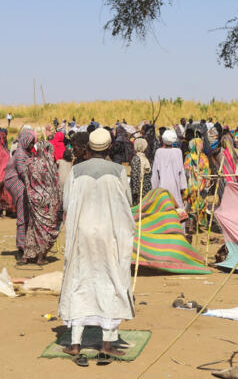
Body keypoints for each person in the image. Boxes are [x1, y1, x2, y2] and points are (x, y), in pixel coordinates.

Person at [60, 128, 135, 363]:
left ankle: (74, 344)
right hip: (109, 235)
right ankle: (107, 344)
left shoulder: (76, 171)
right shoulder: (118, 171)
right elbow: (128, 201)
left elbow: (66, 205)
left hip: (82, 235)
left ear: (89, 148)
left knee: (79, 281)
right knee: (111, 280)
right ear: (109, 148)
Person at [22, 141, 61, 265]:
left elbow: (26, 181)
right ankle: (40, 257)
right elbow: (55, 184)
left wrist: (31, 195)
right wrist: (58, 200)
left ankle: (27, 256)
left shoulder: (29, 162)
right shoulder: (49, 164)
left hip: (33, 199)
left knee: (33, 227)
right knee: (46, 228)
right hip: (47, 201)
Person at [4, 129, 36, 260]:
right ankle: (22, 247)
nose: (32, 145)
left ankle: (25, 245)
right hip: (18, 185)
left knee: (26, 214)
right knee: (23, 215)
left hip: (20, 184)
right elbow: (23, 173)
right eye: (31, 142)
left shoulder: (24, 153)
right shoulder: (21, 154)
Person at [151, 129, 188, 208]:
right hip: (175, 186)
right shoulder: (178, 152)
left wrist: (155, 189)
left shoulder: (159, 152)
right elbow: (181, 171)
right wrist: (183, 188)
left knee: (164, 208)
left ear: (163, 140)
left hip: (162, 186)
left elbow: (155, 174)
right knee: (176, 208)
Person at [183, 138, 210, 228]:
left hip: (193, 185)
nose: (202, 146)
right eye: (200, 144)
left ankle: (193, 224)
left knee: (192, 203)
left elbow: (186, 170)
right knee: (196, 203)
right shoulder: (202, 157)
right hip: (198, 185)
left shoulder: (190, 157)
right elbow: (206, 172)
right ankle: (194, 223)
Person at [0, 131, 13, 217]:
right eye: (3, 138)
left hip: (1, 175)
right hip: (1, 175)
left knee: (2, 193)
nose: (5, 139)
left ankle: (1, 211)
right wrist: (1, 176)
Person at [129, 138, 152, 204]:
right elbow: (135, 176)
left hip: (144, 191)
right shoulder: (137, 159)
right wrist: (136, 193)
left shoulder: (141, 158)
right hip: (140, 192)